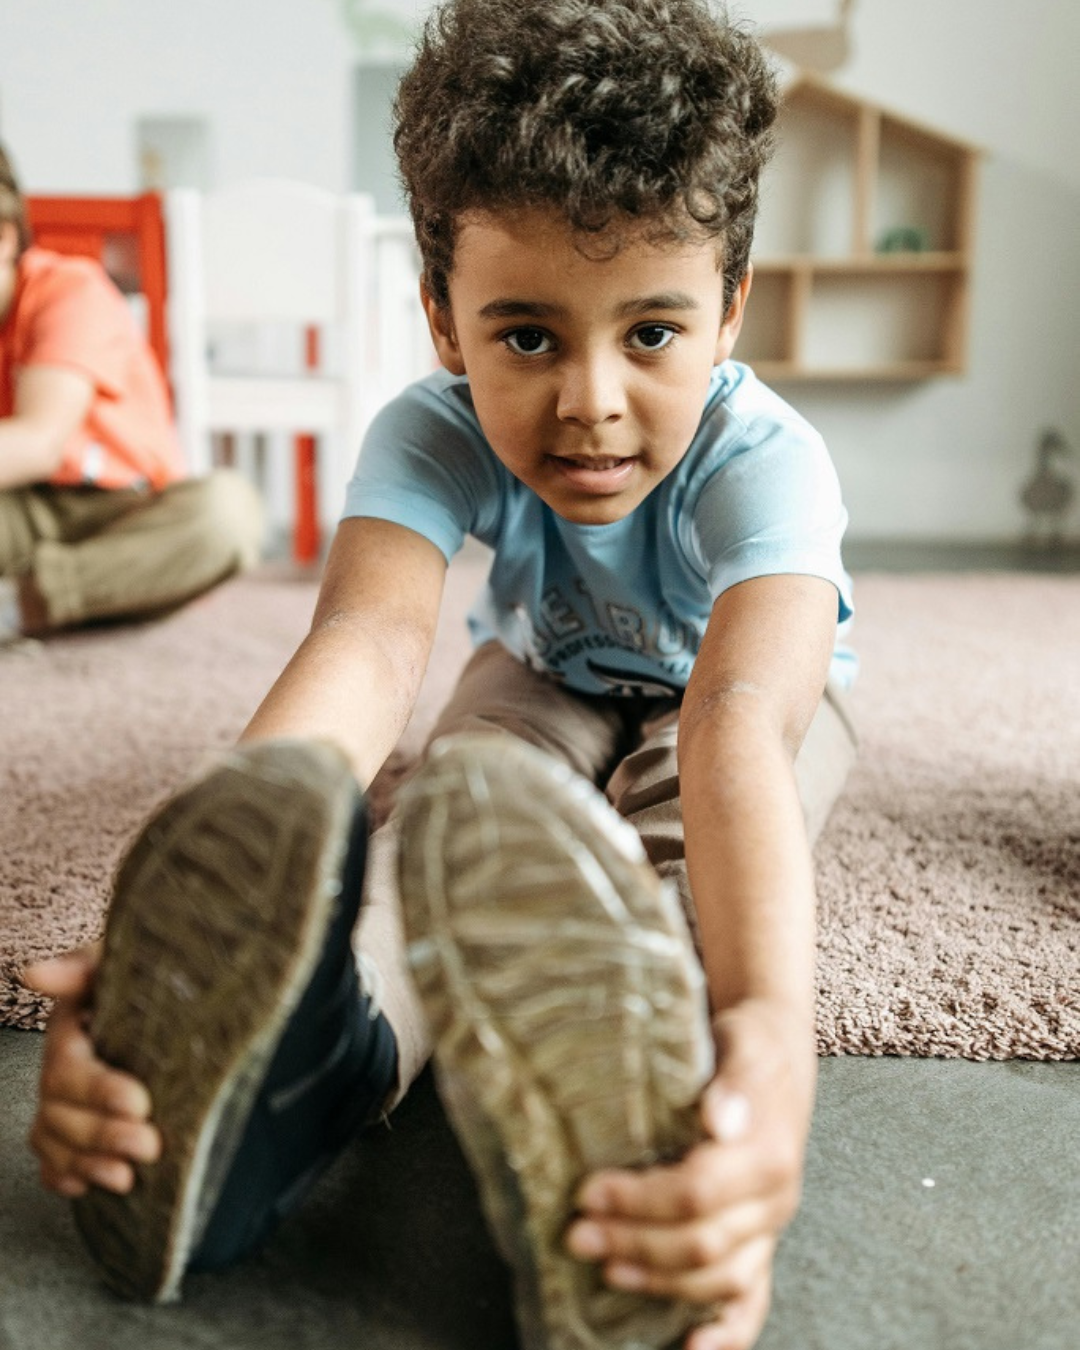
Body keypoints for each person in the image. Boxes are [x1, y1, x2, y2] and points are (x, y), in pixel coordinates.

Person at [23, 2, 858, 1347]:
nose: (590, 397)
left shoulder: (770, 459)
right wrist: (180, 927)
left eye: (652, 333)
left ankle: (659, 1142)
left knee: (663, 859)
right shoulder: (427, 426)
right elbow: (363, 642)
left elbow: (742, 721)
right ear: (443, 317)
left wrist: (773, 1028)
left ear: (731, 308)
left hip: (742, 692)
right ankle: (305, 1061)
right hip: (539, 669)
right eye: (526, 335)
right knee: (454, 809)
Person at [0, 143, 263, 641]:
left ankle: (24, 604)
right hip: (17, 507)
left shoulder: (69, 289)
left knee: (226, 514)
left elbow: (39, 442)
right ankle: (59, 602)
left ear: (5, 237)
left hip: (124, 509)